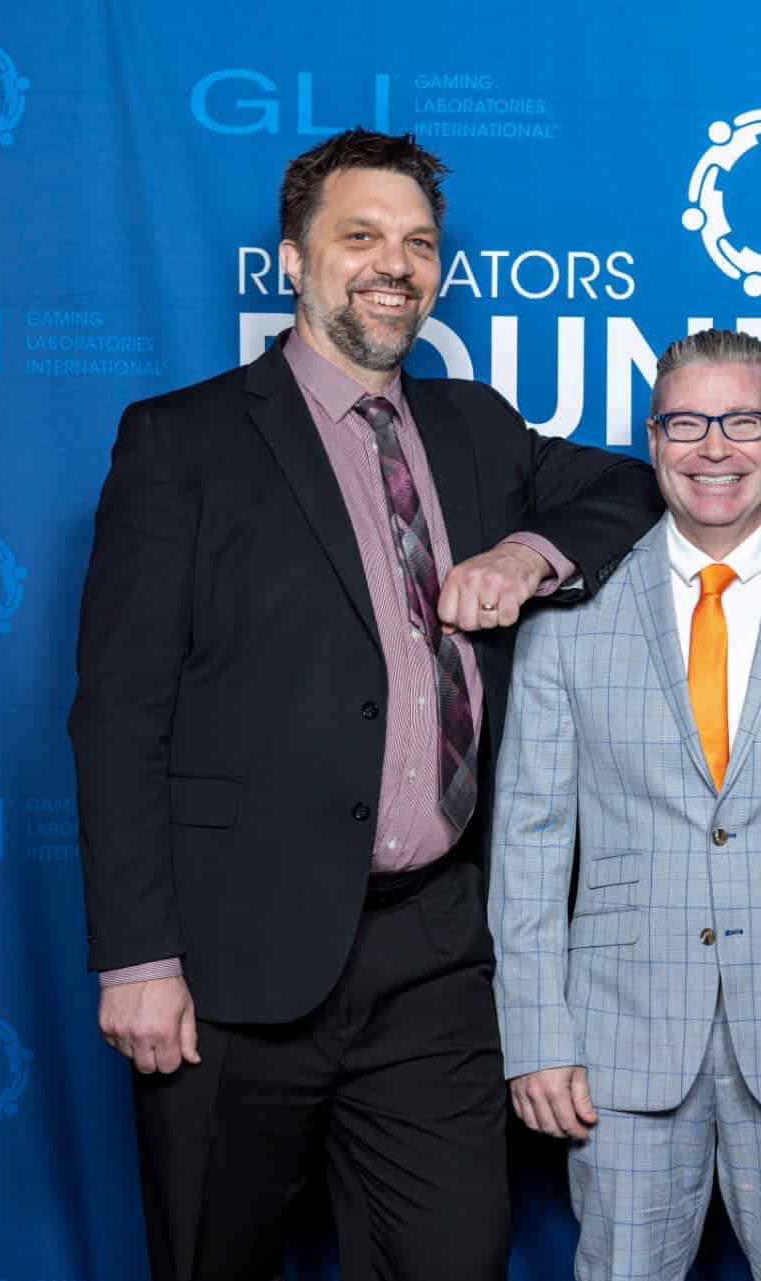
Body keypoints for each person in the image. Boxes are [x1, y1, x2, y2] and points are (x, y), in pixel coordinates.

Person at [68, 127, 662, 1281]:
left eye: (419, 243)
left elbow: (627, 487)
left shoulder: (473, 425)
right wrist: (138, 957)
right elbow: (120, 711)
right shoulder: (181, 441)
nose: (395, 265)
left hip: (433, 960)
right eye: (362, 237)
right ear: (293, 258)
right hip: (235, 967)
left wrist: (529, 553)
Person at [489, 329, 761, 1281]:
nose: (714, 448)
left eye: (742, 421)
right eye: (687, 423)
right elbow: (528, 845)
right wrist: (536, 1034)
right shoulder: (571, 612)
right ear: (653, 440)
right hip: (617, 1044)